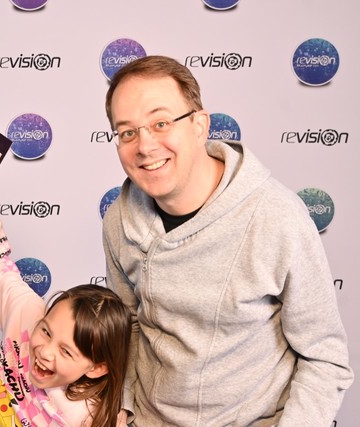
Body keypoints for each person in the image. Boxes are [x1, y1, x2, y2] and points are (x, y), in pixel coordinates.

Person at [102, 55, 353, 426]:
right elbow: (127, 327)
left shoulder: (276, 217)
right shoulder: (118, 220)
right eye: (127, 132)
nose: (144, 146)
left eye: (161, 123)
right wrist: (122, 407)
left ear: (200, 126)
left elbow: (324, 359)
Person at [0, 149, 132, 427]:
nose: (44, 351)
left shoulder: (90, 418)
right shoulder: (27, 317)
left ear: (96, 368)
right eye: (46, 331)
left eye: (66, 351)